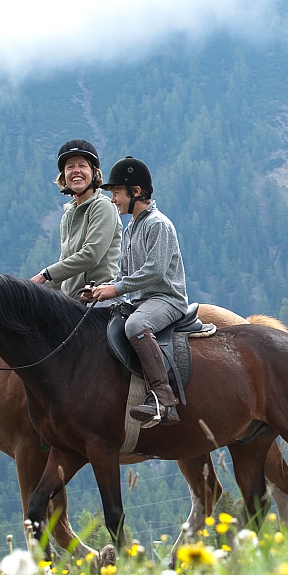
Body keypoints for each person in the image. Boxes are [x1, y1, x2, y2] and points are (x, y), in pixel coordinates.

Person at [82, 156, 189, 424]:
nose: (113, 199)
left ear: (136, 191)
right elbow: (126, 273)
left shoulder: (158, 225)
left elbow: (154, 271)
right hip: (142, 299)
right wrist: (101, 289)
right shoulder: (131, 228)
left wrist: (116, 289)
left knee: (135, 327)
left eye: (116, 193)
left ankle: (163, 400)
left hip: (166, 299)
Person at [31, 139, 122, 297]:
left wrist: (45, 274)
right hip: (74, 301)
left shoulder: (103, 206)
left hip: (100, 300)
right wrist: (27, 288)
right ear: (64, 177)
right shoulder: (68, 215)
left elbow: (91, 255)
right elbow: (64, 268)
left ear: (94, 172)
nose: (76, 171)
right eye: (70, 167)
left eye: (82, 165)